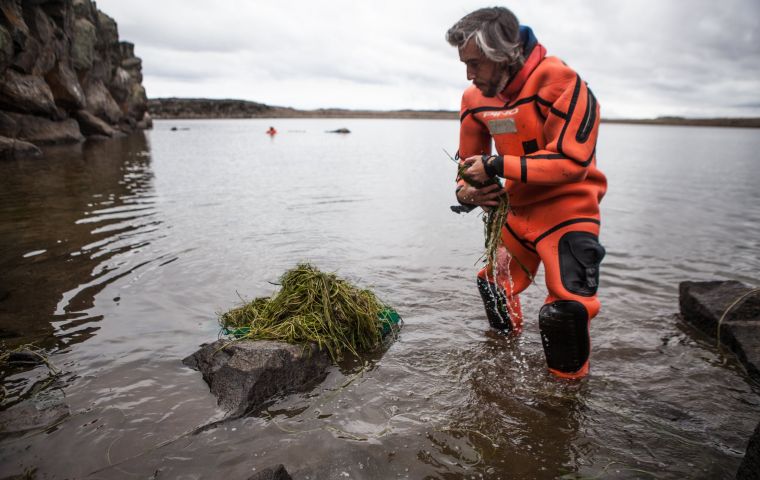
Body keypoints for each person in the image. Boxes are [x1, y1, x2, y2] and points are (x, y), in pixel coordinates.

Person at [446, 7, 607, 379]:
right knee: (493, 285)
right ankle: (501, 364)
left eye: (475, 63)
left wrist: (496, 167)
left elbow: (571, 162)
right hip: (516, 212)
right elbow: (467, 165)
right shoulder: (474, 98)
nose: (469, 74)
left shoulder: (562, 81)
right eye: (464, 65)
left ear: (503, 52)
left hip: (569, 212)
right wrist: (467, 193)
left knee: (565, 312)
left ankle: (566, 400)